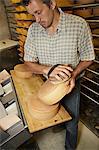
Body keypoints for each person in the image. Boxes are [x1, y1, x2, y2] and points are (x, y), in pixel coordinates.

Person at [22, 0, 95, 149]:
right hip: (47, 83)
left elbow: (88, 58)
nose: (36, 20)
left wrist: (73, 75)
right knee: (56, 111)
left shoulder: (78, 25)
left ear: (52, 4)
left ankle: (70, 146)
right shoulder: (33, 30)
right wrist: (47, 70)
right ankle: (60, 124)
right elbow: (28, 62)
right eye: (32, 15)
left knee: (72, 119)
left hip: (71, 84)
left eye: (38, 12)